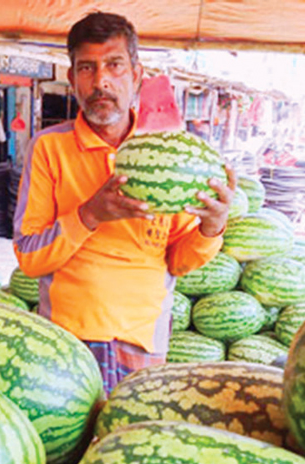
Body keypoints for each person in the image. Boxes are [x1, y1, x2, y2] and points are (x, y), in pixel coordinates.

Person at [13, 12, 234, 394]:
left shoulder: (174, 155)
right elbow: (30, 257)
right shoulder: (49, 148)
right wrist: (90, 215)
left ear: (136, 74)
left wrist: (211, 229)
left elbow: (178, 261)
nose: (101, 81)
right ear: (72, 79)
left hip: (143, 340)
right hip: (68, 339)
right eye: (87, 68)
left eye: (114, 65)